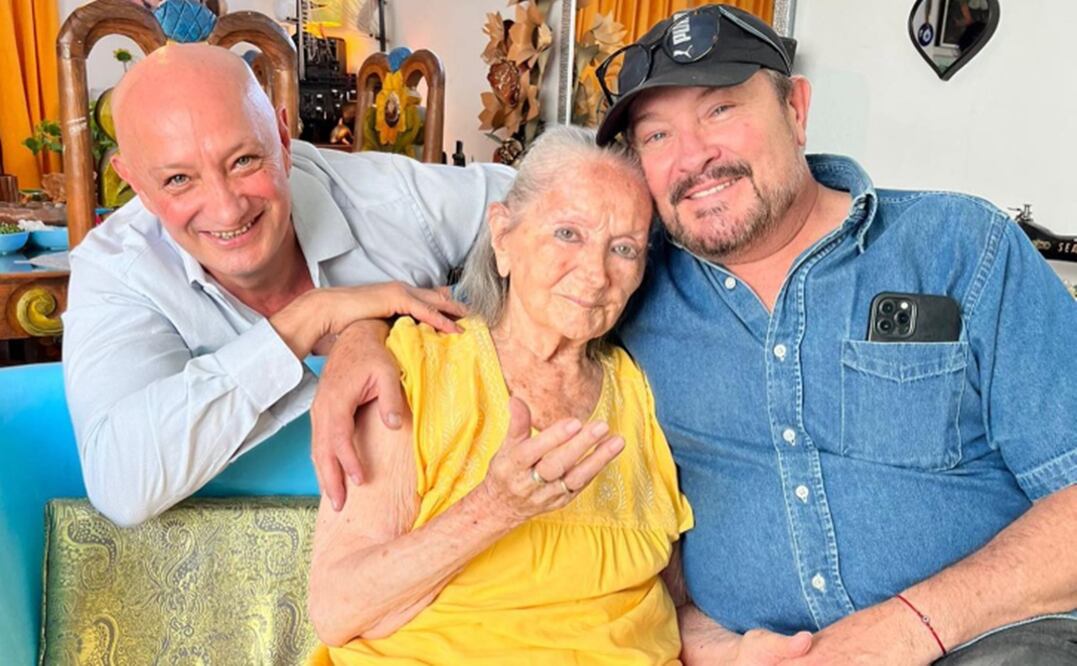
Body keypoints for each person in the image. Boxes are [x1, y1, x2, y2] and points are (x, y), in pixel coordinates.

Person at [314, 5, 1077, 664]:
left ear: (796, 109)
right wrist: (360, 330)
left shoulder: (958, 246)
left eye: (719, 109)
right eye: (655, 134)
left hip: (984, 637)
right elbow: (511, 297)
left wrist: (903, 631)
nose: (693, 157)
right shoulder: (636, 287)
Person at [61, 43, 513, 527]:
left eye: (243, 161)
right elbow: (122, 485)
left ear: (281, 136)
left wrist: (379, 329)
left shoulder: (390, 198)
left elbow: (554, 208)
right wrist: (307, 319)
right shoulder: (117, 270)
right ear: (135, 183)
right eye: (178, 179)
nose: (227, 209)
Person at [305, 126, 694, 663]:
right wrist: (495, 508)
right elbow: (336, 606)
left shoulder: (639, 390)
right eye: (568, 234)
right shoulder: (418, 366)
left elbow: (671, 603)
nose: (595, 272)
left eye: (623, 248)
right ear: (504, 236)